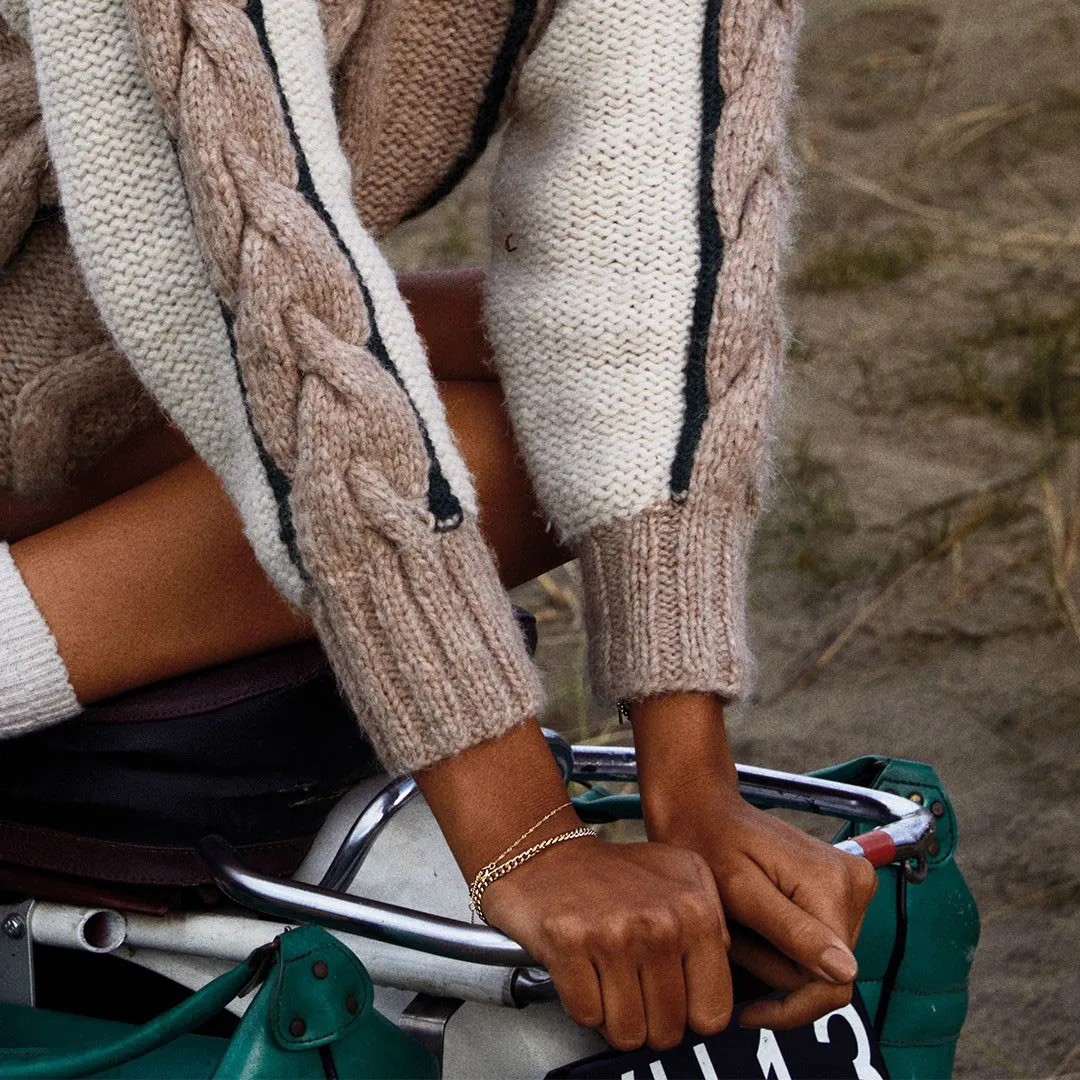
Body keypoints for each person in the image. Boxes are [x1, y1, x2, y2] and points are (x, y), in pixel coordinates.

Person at [0, 0, 876, 1053]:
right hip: (145, 304)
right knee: (385, 400)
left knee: (544, 398)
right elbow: (249, 273)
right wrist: (522, 840)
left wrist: (690, 785)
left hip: (60, 370)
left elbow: (655, 231)